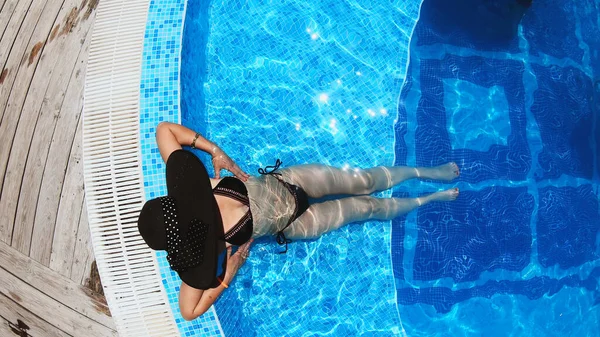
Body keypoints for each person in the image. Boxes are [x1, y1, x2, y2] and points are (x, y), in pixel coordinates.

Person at [137, 122, 460, 320]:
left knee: (364, 181)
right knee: (369, 209)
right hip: (296, 223)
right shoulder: (211, 246)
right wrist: (229, 272)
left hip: (292, 180)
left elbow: (164, 130)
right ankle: (425, 200)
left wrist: (215, 151)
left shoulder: (198, 187)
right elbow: (189, 312)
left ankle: (424, 172)